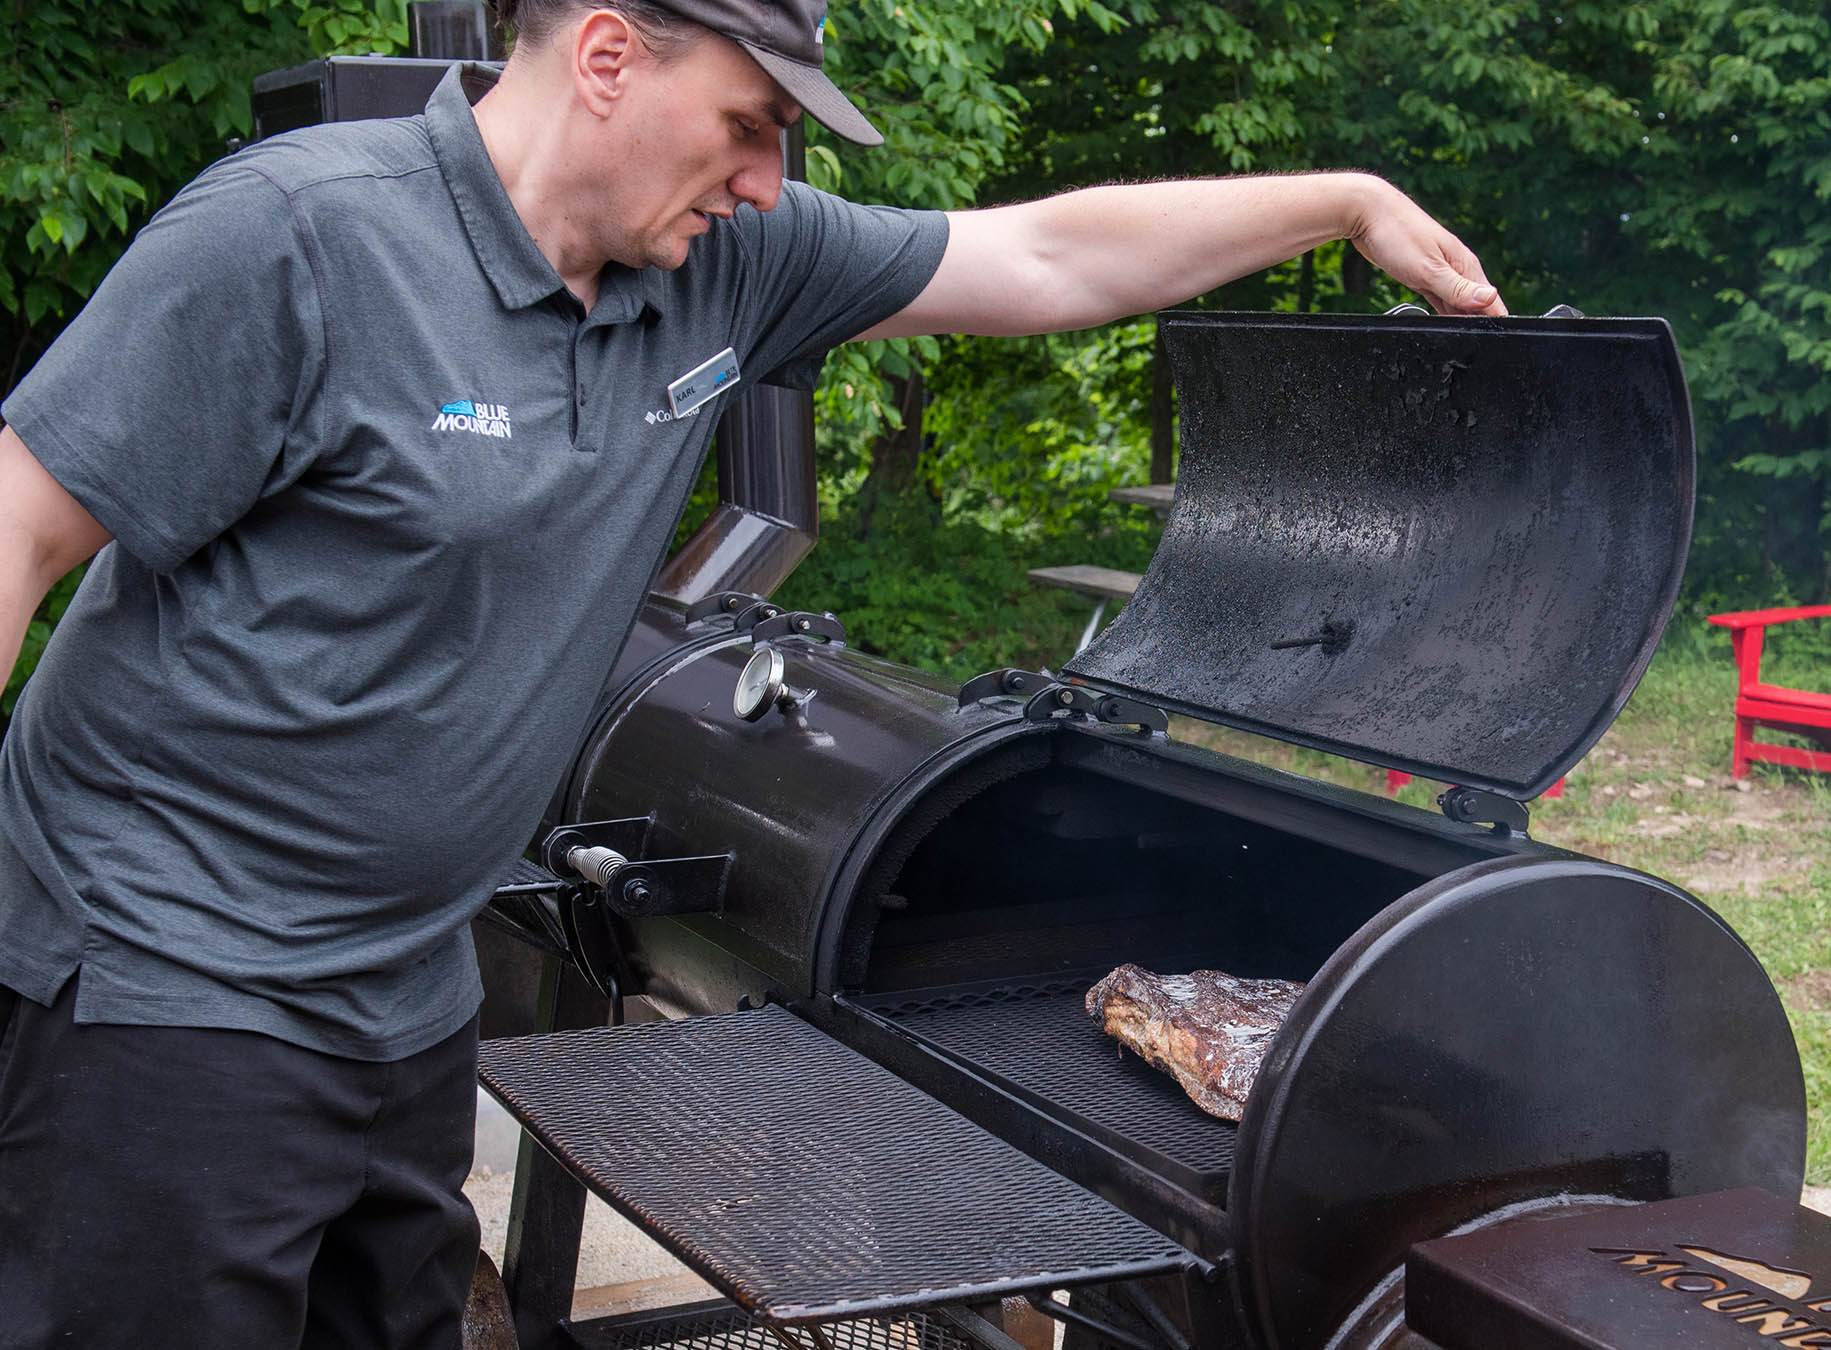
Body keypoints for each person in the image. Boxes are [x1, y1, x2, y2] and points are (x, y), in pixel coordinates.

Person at [0, 0, 1504, 1344]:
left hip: (402, 984)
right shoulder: (298, 237)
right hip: (165, 977)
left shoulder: (727, 266)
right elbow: (17, 528)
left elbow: (1043, 254)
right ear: (604, 56)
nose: (767, 180)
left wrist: (1342, 201)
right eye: (748, 123)